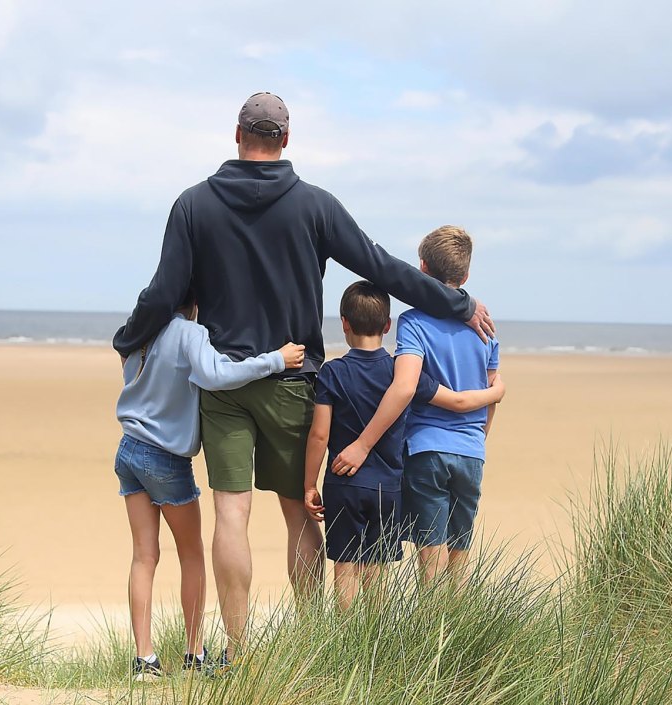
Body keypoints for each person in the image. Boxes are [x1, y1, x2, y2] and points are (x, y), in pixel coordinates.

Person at [112, 92, 495, 665]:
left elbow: (165, 294)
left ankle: (237, 655)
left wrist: (128, 338)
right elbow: (381, 266)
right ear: (286, 140)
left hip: (225, 387)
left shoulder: (193, 205)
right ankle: (314, 648)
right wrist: (455, 303)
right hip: (296, 381)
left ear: (237, 134)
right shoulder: (314, 205)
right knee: (298, 510)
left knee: (231, 514)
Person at [113, 288, 305, 679]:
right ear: (196, 301)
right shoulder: (189, 333)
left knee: (143, 556)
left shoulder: (138, 333)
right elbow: (216, 374)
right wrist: (274, 360)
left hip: (128, 450)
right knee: (192, 555)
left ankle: (144, 660)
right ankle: (194, 654)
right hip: (165, 457)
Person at [303, 281, 505, 609]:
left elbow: (319, 435)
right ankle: (375, 641)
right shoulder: (401, 373)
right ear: (387, 325)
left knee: (345, 567)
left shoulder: (332, 372)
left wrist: (309, 483)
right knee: (377, 570)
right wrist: (495, 393)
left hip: (344, 483)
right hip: (389, 486)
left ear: (344, 323)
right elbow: (454, 400)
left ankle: (345, 643)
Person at [329, 226, 499, 585]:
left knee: (431, 564)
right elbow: (491, 391)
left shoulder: (414, 322)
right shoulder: (485, 328)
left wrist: (362, 445)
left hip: (426, 451)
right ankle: (457, 635)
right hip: (471, 452)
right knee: (459, 559)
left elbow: (405, 387)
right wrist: (478, 438)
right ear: (466, 275)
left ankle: (429, 637)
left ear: (420, 270)